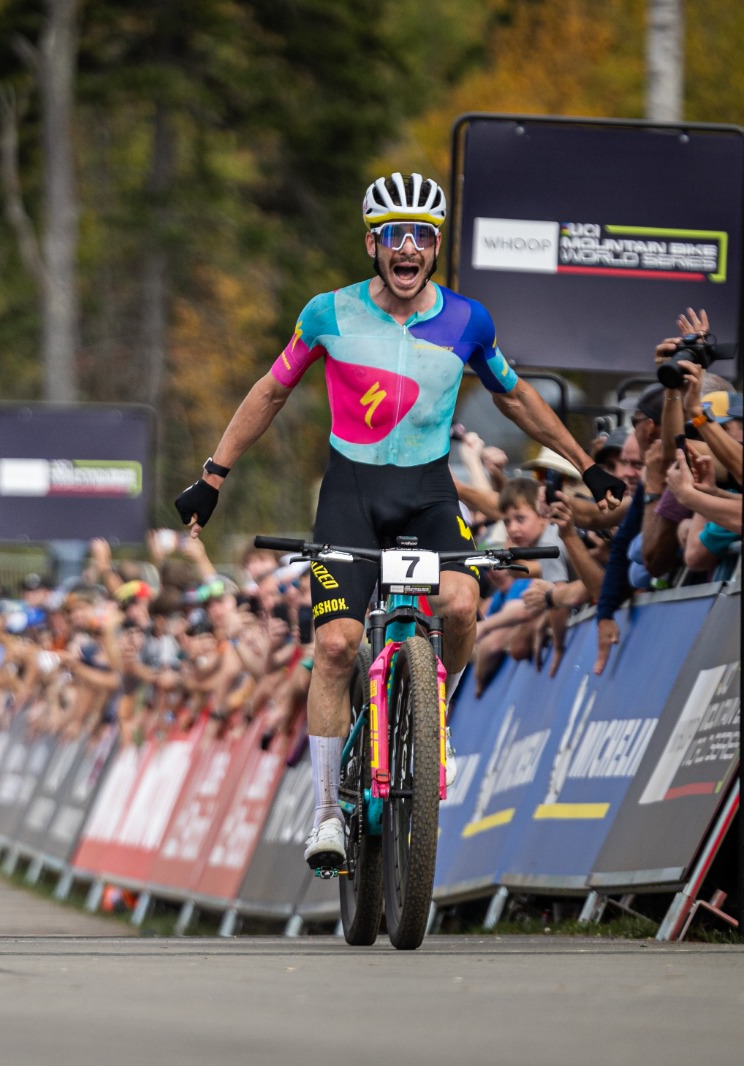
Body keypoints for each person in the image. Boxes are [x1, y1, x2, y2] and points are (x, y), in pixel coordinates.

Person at [173, 172, 624, 871]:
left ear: (436, 246)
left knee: (464, 603)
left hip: (428, 492)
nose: (408, 248)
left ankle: (427, 711)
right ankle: (327, 816)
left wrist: (582, 465)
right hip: (352, 492)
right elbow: (270, 392)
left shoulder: (469, 321)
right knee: (334, 645)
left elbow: (518, 399)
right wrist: (213, 477)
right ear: (373, 244)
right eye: (394, 236)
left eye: (422, 236)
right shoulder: (328, 313)